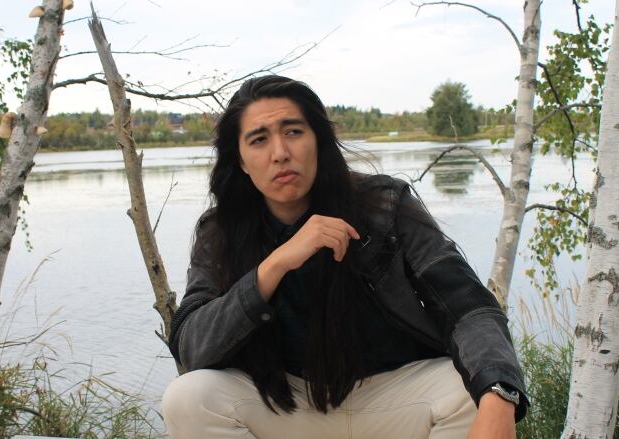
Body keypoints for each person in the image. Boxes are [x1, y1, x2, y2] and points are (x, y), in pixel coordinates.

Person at [162, 75, 527, 438]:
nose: (280, 153)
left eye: (293, 132)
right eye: (259, 139)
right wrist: (274, 266)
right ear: (240, 160)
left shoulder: (384, 206)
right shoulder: (221, 231)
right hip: (286, 404)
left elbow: (466, 305)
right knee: (189, 398)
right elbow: (192, 347)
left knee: (473, 388)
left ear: (318, 140)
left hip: (393, 396)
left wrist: (499, 392)